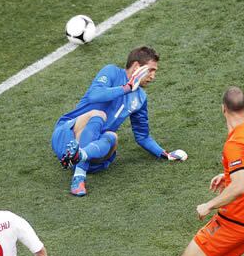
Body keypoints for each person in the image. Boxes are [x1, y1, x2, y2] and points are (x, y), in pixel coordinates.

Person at [50, 46, 187, 196]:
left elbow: (142, 136)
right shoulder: (111, 72)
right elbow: (94, 95)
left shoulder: (140, 97)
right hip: (67, 137)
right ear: (136, 66)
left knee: (113, 137)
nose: (153, 76)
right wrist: (126, 88)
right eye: (151, 70)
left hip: (92, 153)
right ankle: (78, 177)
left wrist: (164, 154)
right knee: (98, 114)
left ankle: (81, 155)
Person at [178, 87, 244, 256]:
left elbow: (238, 187)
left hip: (236, 221)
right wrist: (229, 174)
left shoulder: (234, 145)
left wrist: (208, 205)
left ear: (223, 109)